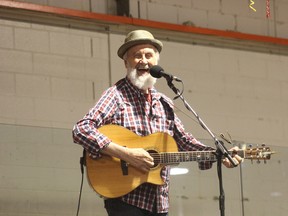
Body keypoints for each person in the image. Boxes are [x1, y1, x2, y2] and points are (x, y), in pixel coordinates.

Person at [72, 30, 243, 216]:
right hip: (126, 201)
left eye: (148, 55)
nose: (143, 60)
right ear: (126, 62)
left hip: (160, 203)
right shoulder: (115, 95)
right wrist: (126, 154)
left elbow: (185, 142)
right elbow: (81, 129)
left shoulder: (164, 102)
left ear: (156, 61)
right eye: (136, 55)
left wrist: (218, 154)